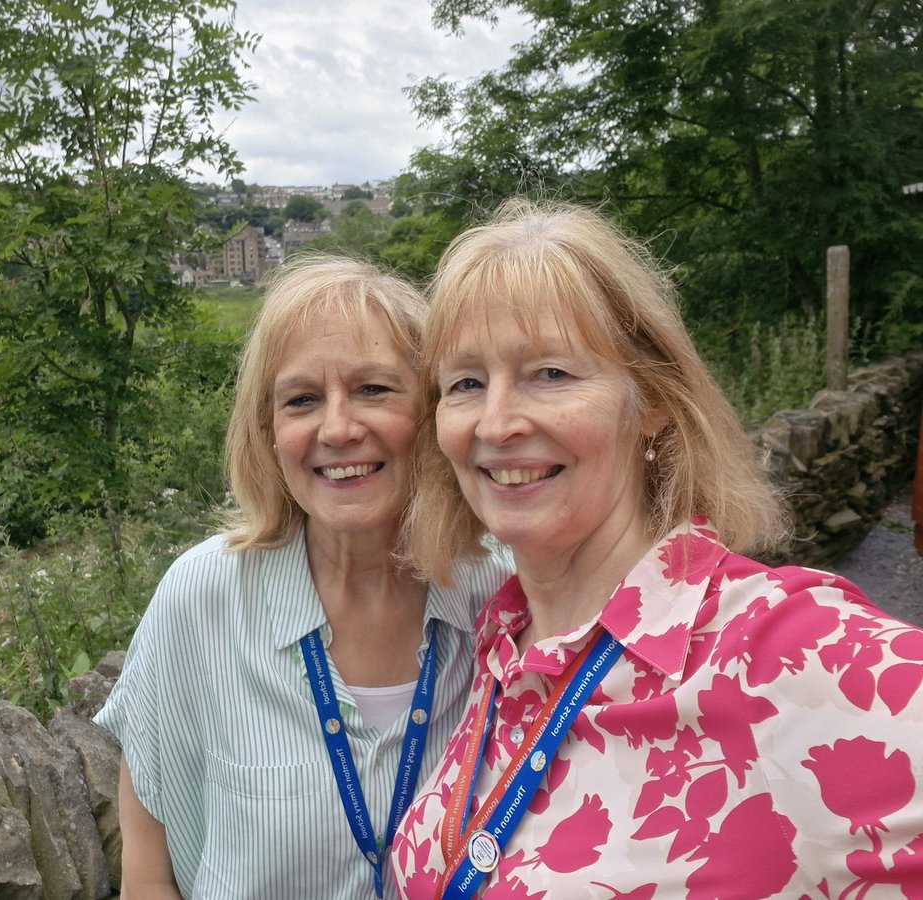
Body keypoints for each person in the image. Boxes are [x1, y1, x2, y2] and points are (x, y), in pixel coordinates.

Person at [390, 199, 923, 898]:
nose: (496, 422)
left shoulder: (781, 653)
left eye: (550, 373)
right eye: (466, 383)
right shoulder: (501, 642)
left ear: (651, 401)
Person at [94, 256, 512, 899]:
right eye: (302, 400)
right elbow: (148, 882)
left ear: (433, 411)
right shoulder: (201, 602)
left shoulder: (507, 595)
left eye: (374, 389)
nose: (339, 428)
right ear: (268, 432)